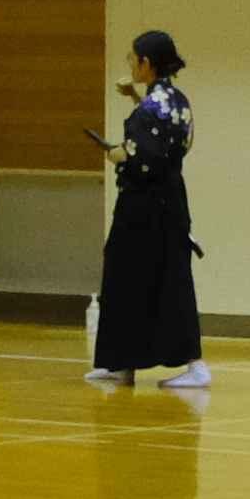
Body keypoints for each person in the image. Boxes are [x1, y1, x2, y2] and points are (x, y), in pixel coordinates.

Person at [90, 29, 203, 393]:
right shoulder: (175, 99)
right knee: (162, 279)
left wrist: (118, 154)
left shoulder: (153, 106)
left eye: (133, 58)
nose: (130, 64)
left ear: (147, 63)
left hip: (145, 206)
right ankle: (124, 363)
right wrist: (134, 99)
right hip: (170, 201)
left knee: (129, 278)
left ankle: (175, 365)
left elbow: (146, 156)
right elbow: (164, 139)